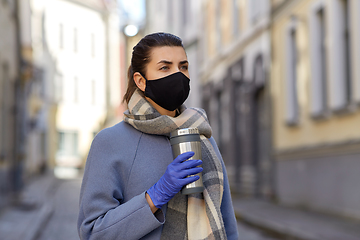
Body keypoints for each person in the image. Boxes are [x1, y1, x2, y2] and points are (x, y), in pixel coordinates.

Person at [77, 32, 239, 240]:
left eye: (183, 67)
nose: (178, 75)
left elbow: (226, 222)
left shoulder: (202, 136)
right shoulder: (110, 141)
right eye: (165, 67)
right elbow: (92, 232)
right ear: (141, 81)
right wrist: (155, 196)